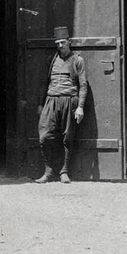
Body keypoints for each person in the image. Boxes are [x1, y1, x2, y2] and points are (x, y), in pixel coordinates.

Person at [36, 27, 87, 184]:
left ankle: (64, 171)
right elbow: (45, 83)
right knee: (44, 136)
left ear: (69, 42)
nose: (60, 46)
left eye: (63, 42)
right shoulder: (52, 60)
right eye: (57, 43)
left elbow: (83, 85)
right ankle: (48, 171)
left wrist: (80, 107)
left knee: (67, 137)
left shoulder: (77, 60)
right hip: (51, 101)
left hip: (69, 101)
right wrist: (40, 104)